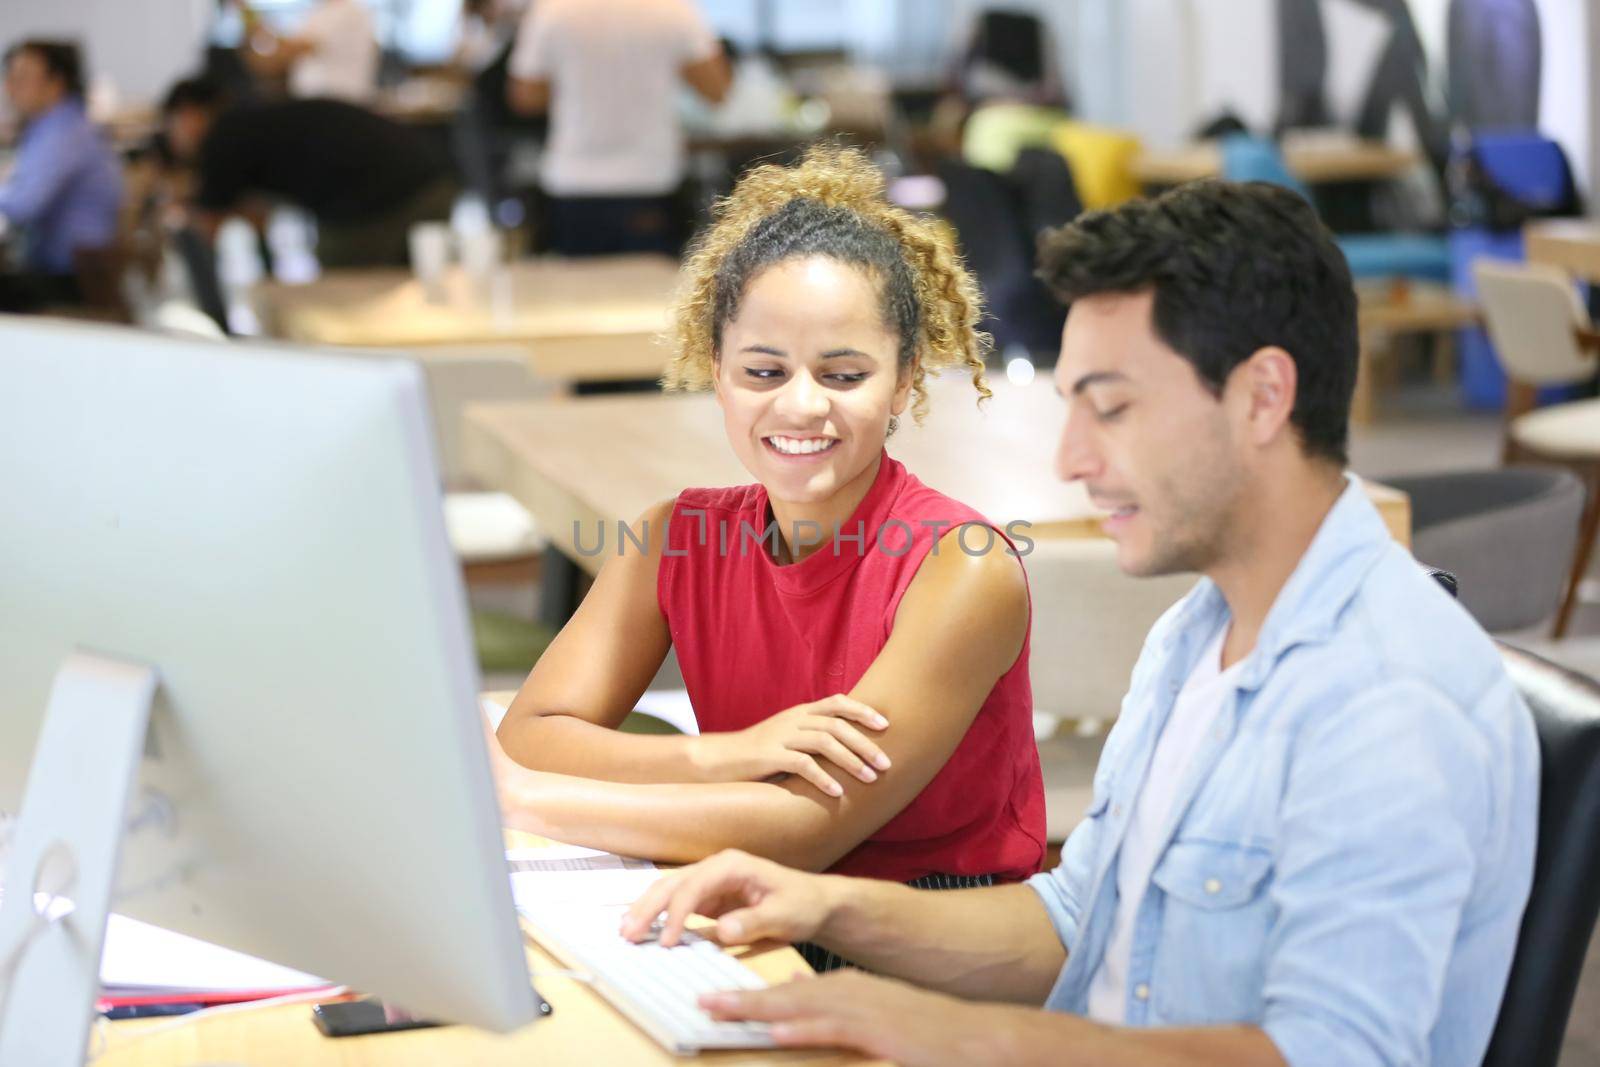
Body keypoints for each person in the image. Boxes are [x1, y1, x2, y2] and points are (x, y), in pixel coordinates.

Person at [607, 180, 1540, 1065]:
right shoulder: (1195, 632)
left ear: (1263, 397)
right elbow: (1078, 916)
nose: (1072, 458)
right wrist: (820, 907)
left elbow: (1335, 1054)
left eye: (1114, 409)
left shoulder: (1388, 696)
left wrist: (972, 1040)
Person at [489, 147, 1046, 969]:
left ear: (903, 381)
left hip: (928, 939)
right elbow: (535, 730)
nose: (801, 403)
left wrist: (528, 800)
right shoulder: (673, 538)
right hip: (750, 900)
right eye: (763, 370)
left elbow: (804, 828)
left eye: (845, 372)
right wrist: (722, 753)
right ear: (715, 372)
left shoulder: (962, 566)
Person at [505, 0, 732, 256]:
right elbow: (717, 89)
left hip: (575, 181)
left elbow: (525, 96)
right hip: (648, 180)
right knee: (651, 292)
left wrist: (578, 75)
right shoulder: (673, 8)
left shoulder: (553, 8)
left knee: (576, 292)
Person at [160, 78, 454, 269]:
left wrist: (180, 212)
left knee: (339, 294)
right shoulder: (253, 118)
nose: (174, 138)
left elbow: (210, 227)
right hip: (432, 180)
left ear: (189, 114)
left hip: (384, 198)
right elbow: (256, 216)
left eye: (171, 124)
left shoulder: (223, 136)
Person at [0, 40, 122, 312]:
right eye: (9, 77)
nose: (10, 88)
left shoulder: (63, 133)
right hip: (70, 269)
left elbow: (23, 205)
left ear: (56, 82)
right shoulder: (55, 126)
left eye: (22, 78)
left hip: (74, 280)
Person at [233, 0, 379, 104]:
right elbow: (274, 59)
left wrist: (251, 19)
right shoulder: (320, 12)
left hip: (338, 107)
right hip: (316, 105)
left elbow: (290, 51)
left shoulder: (347, 11)